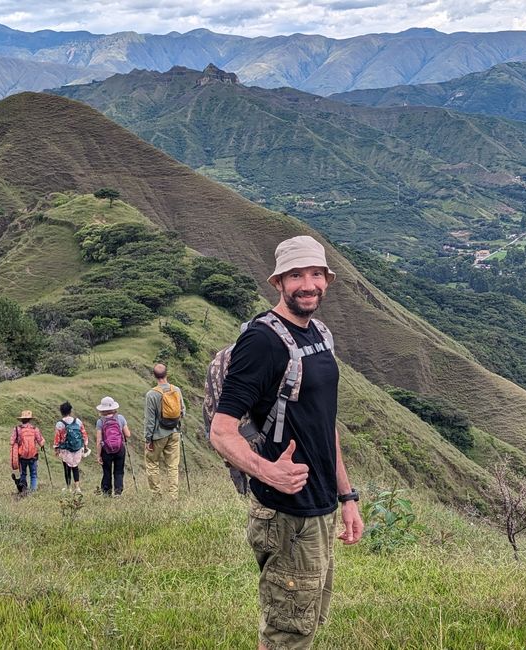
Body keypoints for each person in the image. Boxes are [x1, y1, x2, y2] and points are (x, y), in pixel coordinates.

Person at [209, 235, 364, 650]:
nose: (308, 284)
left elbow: (324, 424)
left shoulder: (319, 336)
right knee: (286, 634)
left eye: (316, 274)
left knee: (304, 624)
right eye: (296, 275)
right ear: (278, 282)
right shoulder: (262, 342)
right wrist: (268, 471)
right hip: (285, 515)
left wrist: (346, 496)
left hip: (318, 506)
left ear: (327, 280)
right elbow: (221, 431)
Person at [144, 363, 186, 499]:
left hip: (157, 435)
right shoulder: (176, 390)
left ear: (154, 376)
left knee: (152, 463)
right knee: (173, 465)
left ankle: (157, 495)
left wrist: (148, 439)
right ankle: (173, 496)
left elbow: (150, 420)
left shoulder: (152, 394)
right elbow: (182, 412)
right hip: (174, 432)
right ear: (167, 374)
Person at [95, 396, 131, 496]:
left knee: (107, 471)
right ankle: (118, 492)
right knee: (119, 471)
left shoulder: (100, 422)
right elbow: (128, 434)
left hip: (106, 450)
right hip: (120, 449)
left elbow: (99, 440)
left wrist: (98, 455)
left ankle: (106, 492)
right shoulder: (120, 418)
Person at [53, 401, 90, 494]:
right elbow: (84, 434)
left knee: (66, 467)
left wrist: (56, 448)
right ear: (70, 411)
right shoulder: (77, 421)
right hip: (77, 448)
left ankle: (68, 487)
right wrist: (85, 445)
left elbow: (57, 438)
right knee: (75, 467)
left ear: (61, 411)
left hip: (65, 449)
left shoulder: (59, 424)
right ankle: (77, 487)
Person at [11, 410, 45, 492]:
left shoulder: (17, 429)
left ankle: (23, 489)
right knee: (33, 474)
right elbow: (41, 442)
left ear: (22, 420)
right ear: (30, 419)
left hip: (22, 456)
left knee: (23, 474)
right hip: (33, 456)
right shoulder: (34, 429)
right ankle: (33, 490)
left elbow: (12, 441)